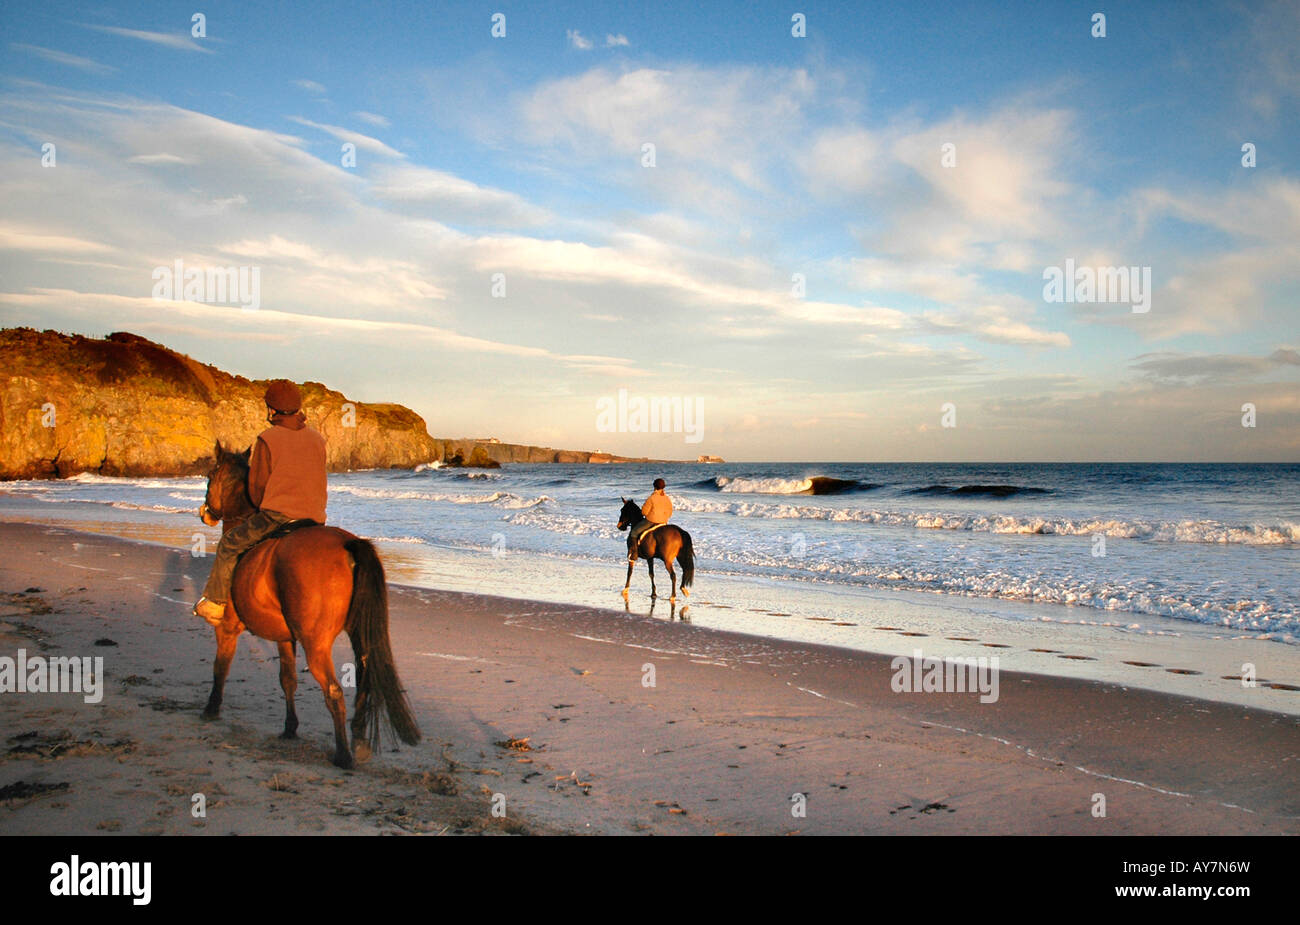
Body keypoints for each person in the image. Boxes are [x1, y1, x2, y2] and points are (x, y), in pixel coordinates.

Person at [193, 380, 328, 626]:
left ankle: (216, 603)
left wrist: (261, 505)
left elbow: (257, 488)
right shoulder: (317, 439)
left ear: (271, 409)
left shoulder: (268, 438)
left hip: (277, 516)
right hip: (316, 518)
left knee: (230, 543)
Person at [627, 477, 673, 562]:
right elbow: (670, 511)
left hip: (651, 521)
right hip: (663, 522)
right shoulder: (667, 498)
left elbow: (644, 512)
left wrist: (650, 515)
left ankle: (634, 554)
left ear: (654, 487)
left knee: (634, 532)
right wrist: (664, 518)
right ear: (663, 487)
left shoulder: (651, 498)